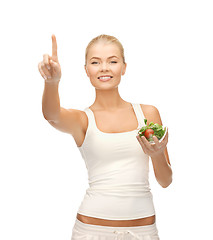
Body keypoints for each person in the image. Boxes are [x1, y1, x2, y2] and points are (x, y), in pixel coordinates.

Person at [38, 34, 173, 240]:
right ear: (86, 70)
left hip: (143, 231)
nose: (104, 68)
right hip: (92, 231)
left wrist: (156, 154)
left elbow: (166, 180)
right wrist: (52, 82)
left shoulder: (148, 114)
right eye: (95, 62)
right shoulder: (82, 119)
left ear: (124, 67)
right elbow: (52, 115)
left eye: (112, 61)